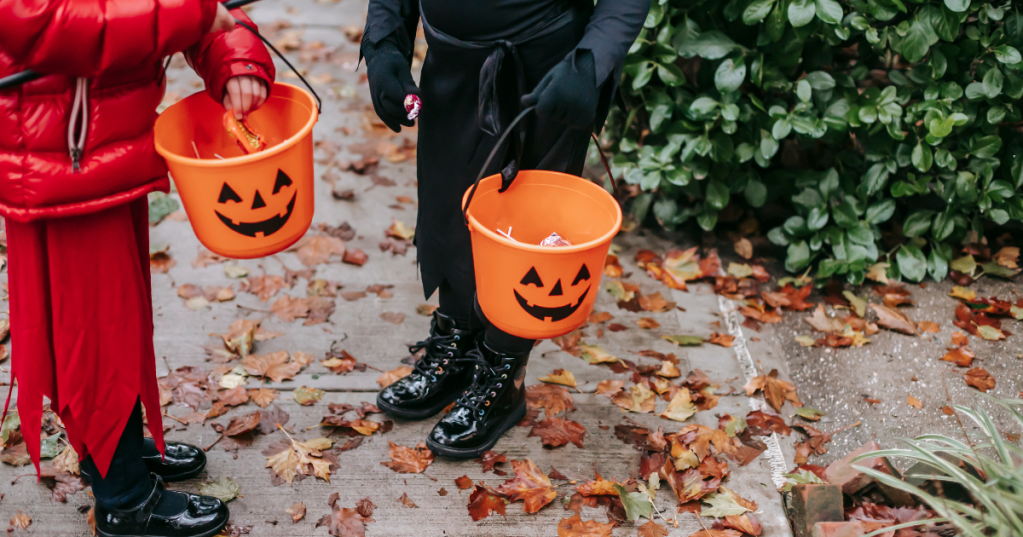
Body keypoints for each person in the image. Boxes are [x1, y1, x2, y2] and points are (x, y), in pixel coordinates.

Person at [0, 2, 275, 536]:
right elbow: (41, 22)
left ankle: (114, 450)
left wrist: (235, 58)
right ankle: (123, 498)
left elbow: (194, 8)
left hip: (104, 137)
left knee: (116, 324)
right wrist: (195, 16)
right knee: (91, 334)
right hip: (62, 150)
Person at [363, 0, 649, 458]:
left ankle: (503, 374)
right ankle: (457, 345)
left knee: (527, 233)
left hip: (547, 73)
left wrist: (593, 58)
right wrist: (383, 44)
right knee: (449, 205)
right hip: (452, 63)